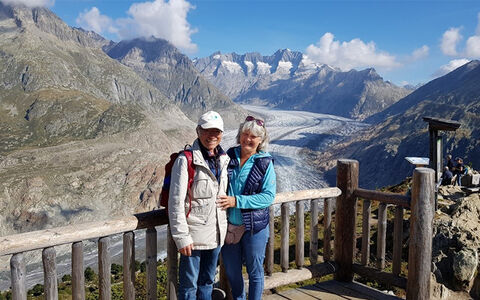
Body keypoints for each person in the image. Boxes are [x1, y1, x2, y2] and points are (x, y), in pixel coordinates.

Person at [168, 111, 229, 300]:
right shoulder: (185, 160)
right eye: (207, 130)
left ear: (221, 134)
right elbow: (176, 202)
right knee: (188, 286)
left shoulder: (223, 160)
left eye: (216, 132)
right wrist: (182, 237)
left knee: (207, 282)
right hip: (193, 238)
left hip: (216, 235)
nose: (212, 136)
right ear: (198, 131)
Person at [217, 116, 276, 300]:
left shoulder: (264, 162)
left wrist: (237, 201)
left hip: (254, 228)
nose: (248, 139)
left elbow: (268, 196)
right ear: (239, 135)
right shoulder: (230, 155)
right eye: (245, 134)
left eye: (253, 136)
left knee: (255, 271)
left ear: (261, 140)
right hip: (229, 225)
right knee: (233, 272)